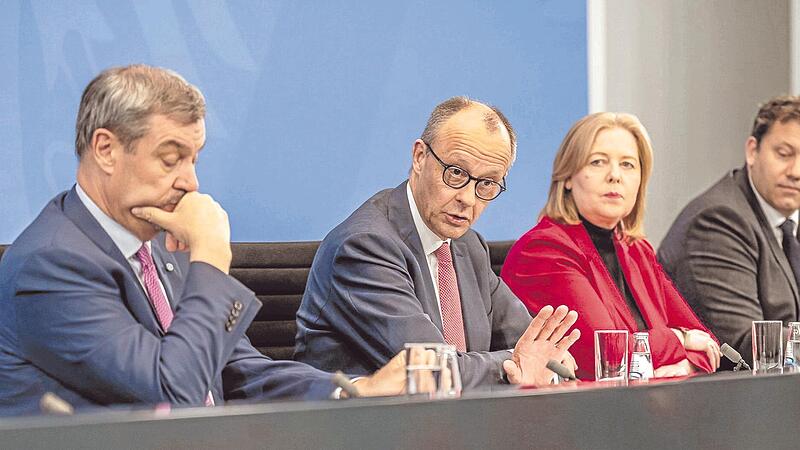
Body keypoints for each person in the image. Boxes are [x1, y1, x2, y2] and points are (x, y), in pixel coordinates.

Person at [0, 65, 405, 417]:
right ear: (106, 150)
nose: (191, 183)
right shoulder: (51, 265)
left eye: (194, 158)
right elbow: (174, 394)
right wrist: (210, 258)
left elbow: (236, 368)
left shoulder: (156, 245)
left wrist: (351, 391)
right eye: (170, 158)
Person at [295, 96, 581, 388]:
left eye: (487, 184)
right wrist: (522, 364)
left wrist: (550, 361)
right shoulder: (365, 247)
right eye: (455, 173)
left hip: (452, 426)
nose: (468, 198)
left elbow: (533, 344)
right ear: (419, 157)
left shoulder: (468, 246)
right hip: (365, 427)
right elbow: (432, 369)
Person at [501, 112, 720, 380]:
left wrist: (683, 366)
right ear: (568, 176)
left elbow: (707, 344)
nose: (615, 176)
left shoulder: (636, 250)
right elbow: (607, 357)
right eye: (597, 162)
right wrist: (679, 338)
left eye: (628, 165)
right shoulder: (543, 250)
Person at [658, 96, 800, 367]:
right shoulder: (717, 220)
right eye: (784, 154)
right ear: (752, 151)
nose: (796, 171)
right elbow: (746, 343)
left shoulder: (789, 223)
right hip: (722, 401)